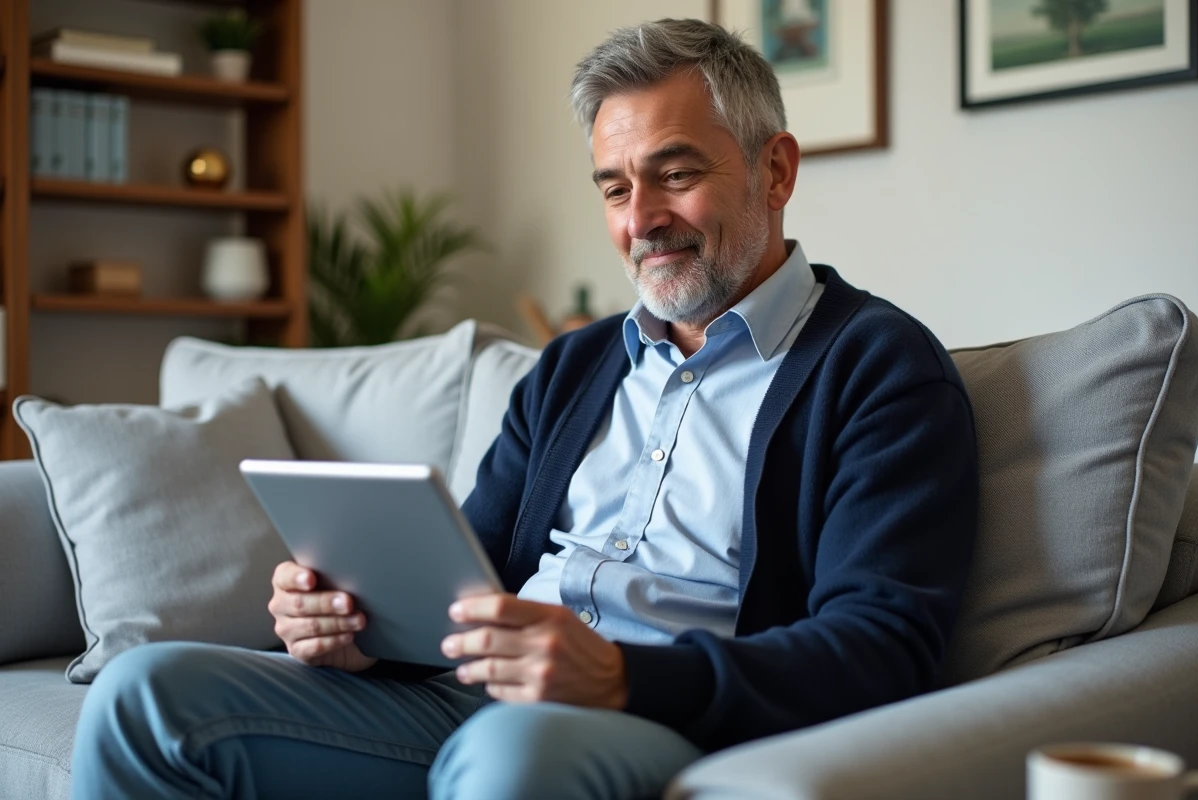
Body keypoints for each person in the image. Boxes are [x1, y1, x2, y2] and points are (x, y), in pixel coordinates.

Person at [70, 18, 979, 800]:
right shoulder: (574, 366)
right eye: (615, 188)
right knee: (143, 694)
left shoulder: (879, 367)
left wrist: (618, 673)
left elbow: (883, 646)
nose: (641, 219)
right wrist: (358, 629)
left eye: (674, 174)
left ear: (775, 171)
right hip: (479, 699)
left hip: (661, 717)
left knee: (509, 752)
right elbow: (464, 576)